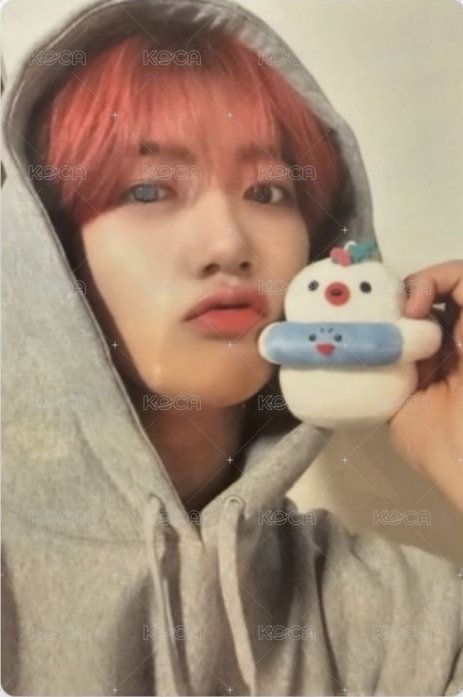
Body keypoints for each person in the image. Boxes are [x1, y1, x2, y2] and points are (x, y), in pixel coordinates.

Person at [1, 0, 462, 695]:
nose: (228, 242)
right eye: (147, 189)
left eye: (267, 191)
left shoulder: (392, 616)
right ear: (49, 250)